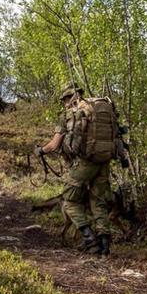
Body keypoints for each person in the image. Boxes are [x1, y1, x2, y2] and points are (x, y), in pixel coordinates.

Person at [36, 84, 113, 255]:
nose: (63, 103)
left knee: (69, 200)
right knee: (98, 202)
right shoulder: (97, 109)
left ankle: (89, 239)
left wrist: (41, 150)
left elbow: (54, 145)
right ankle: (105, 245)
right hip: (104, 161)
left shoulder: (71, 114)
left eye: (64, 99)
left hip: (85, 163)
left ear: (69, 97)